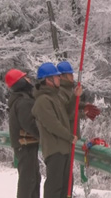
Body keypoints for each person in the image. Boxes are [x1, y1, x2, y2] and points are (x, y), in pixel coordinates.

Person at [31, 62, 77, 198]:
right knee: (55, 187)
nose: (59, 79)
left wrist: (75, 96)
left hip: (64, 148)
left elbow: (67, 113)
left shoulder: (55, 97)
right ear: (48, 80)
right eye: (56, 77)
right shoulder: (42, 101)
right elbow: (53, 125)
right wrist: (69, 137)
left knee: (65, 187)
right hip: (55, 149)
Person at [4, 68, 41, 198]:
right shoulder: (23, 102)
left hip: (24, 145)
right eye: (25, 78)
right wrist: (43, 136)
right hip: (26, 145)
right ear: (19, 82)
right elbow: (30, 124)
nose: (29, 79)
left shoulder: (19, 99)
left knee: (32, 178)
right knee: (29, 181)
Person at [56, 61, 101, 139]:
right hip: (66, 137)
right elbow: (65, 113)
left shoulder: (68, 89)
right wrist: (83, 114)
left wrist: (84, 106)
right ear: (61, 76)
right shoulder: (59, 92)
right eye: (69, 74)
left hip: (72, 135)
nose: (72, 76)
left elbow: (70, 103)